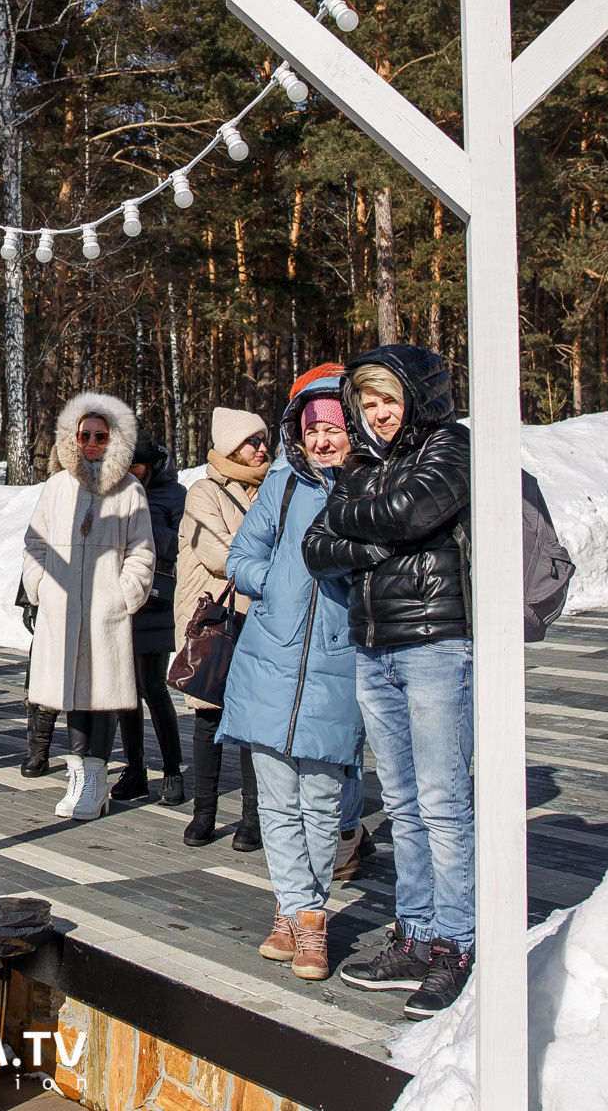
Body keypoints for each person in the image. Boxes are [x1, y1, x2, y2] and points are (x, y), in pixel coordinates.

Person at [303, 344, 474, 1019]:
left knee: (443, 802)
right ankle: (417, 933)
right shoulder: (362, 466)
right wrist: (380, 538)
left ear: (417, 399)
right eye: (368, 403)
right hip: (375, 649)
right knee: (403, 803)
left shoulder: (449, 446)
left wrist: (368, 522)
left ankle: (456, 943)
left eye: (389, 400)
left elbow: (412, 511)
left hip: (436, 644)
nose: (378, 414)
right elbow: (317, 548)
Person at [220, 367, 359, 980]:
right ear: (297, 434)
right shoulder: (280, 485)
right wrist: (271, 581)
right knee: (277, 802)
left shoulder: (369, 489)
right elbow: (240, 557)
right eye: (313, 429)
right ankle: (300, 913)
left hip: (337, 662)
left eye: (334, 428)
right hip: (269, 661)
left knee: (321, 801)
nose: (322, 440)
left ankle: (303, 912)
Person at [21, 392, 155, 822]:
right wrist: (40, 586)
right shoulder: (57, 486)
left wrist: (124, 594)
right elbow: (35, 542)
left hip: (105, 610)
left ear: (114, 439)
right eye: (85, 435)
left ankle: (96, 779)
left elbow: (142, 551)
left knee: (104, 693)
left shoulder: (130, 490)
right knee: (71, 693)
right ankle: (77, 773)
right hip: (61, 607)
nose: (92, 443)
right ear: (72, 437)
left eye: (101, 436)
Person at [172, 408, 270, 847]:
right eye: (253, 441)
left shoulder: (271, 489)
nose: (262, 448)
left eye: (264, 440)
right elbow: (217, 552)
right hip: (216, 620)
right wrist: (269, 558)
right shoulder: (203, 492)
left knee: (252, 720)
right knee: (209, 717)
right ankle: (204, 813)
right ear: (231, 446)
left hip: (260, 617)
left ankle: (253, 817)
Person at [116, 431, 186, 804]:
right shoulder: (115, 491)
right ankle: (135, 770)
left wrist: (139, 525)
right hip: (121, 599)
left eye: (136, 465)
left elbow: (182, 543)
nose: (130, 471)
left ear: (150, 464)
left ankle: (172, 771)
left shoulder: (173, 494)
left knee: (154, 688)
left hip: (157, 602)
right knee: (125, 692)